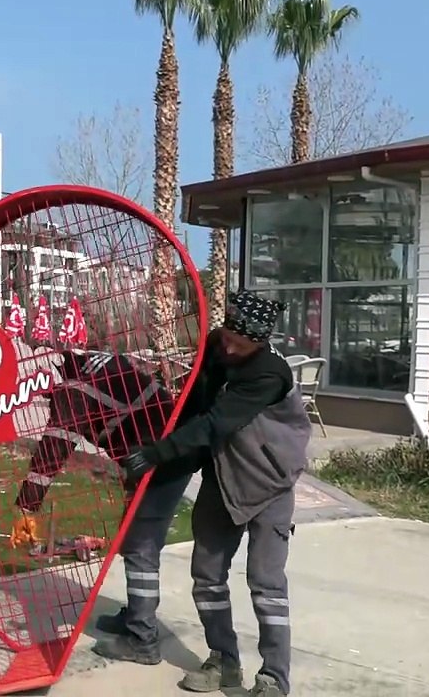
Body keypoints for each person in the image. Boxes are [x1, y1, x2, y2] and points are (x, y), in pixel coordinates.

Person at [119, 292, 312, 697]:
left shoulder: (270, 373)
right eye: (227, 337)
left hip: (269, 484)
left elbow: (216, 423)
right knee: (207, 577)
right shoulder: (216, 345)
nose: (229, 348)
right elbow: (195, 406)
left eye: (239, 344)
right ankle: (223, 661)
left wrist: (156, 453)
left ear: (260, 341)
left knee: (266, 583)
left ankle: (274, 677)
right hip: (222, 479)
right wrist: (164, 460)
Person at [8, 347, 195, 665]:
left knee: (139, 548)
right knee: (133, 543)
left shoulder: (75, 390)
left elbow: (55, 447)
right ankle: (136, 615)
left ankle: (143, 639)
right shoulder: (93, 364)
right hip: (157, 454)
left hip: (160, 462)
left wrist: (27, 507)